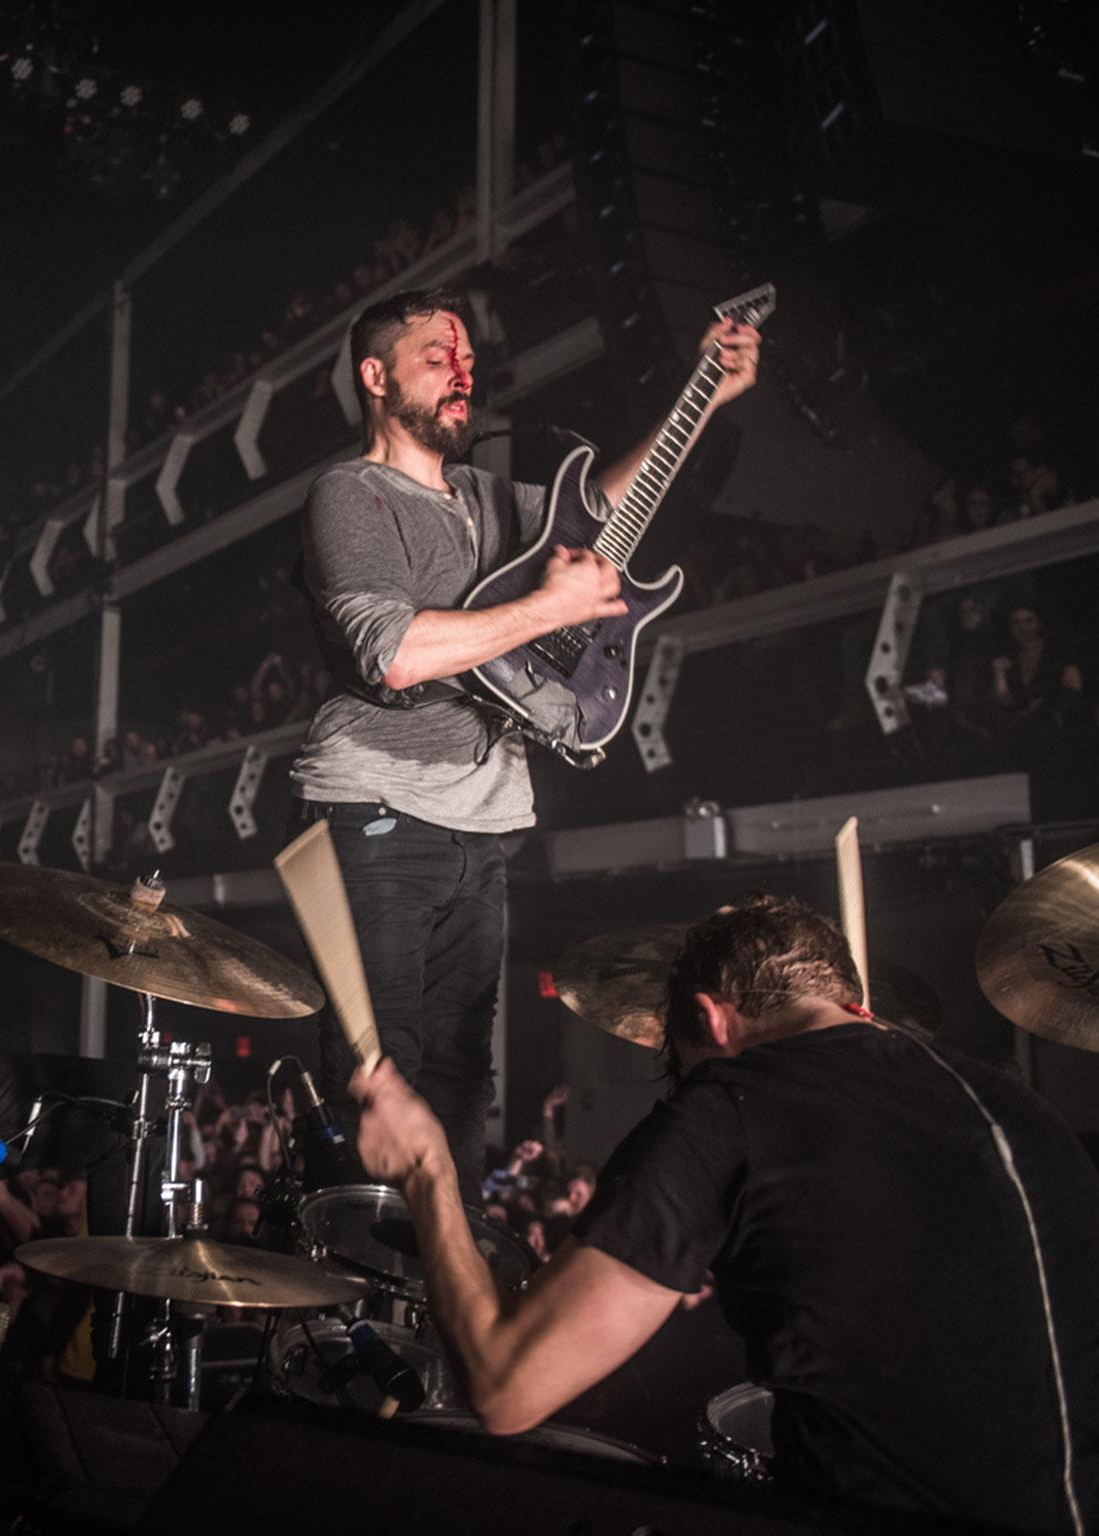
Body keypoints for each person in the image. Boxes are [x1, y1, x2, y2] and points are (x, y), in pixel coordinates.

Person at [351, 896, 1099, 1530]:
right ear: (850, 1001)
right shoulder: (1022, 1110)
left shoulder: (728, 1108)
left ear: (712, 1020)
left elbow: (506, 1388)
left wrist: (427, 1171)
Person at [291, 286, 758, 1198]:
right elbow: (390, 653)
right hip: (375, 810)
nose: (463, 373)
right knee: (377, 1074)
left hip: (488, 823)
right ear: (376, 377)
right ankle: (347, 1295)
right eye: (439, 356)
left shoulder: (487, 494)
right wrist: (548, 608)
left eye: (468, 359)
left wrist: (699, 396)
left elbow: (607, 515)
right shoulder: (347, 494)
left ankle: (442, 1291)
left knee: (465, 1077)